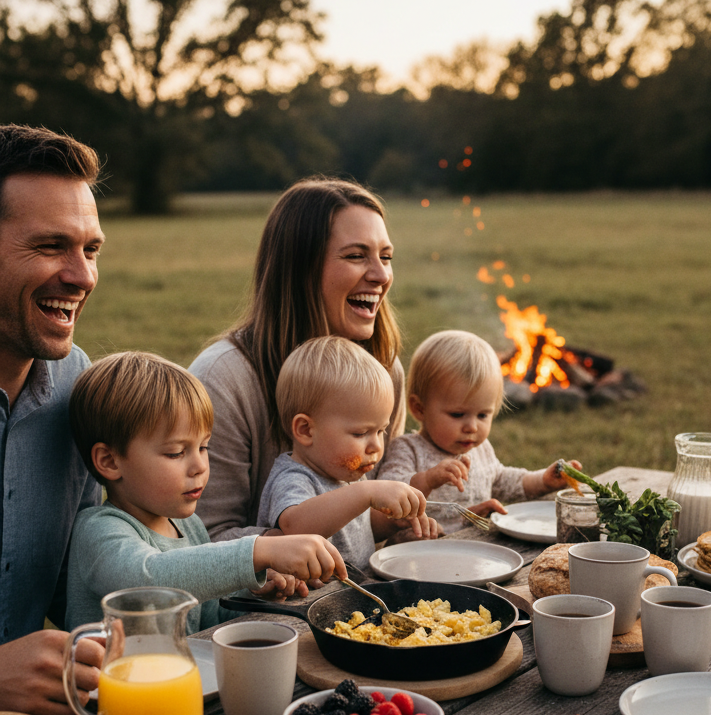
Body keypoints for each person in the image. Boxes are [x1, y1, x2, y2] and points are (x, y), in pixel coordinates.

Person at [190, 177, 405, 542]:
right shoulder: (224, 380)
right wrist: (290, 547)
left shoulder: (384, 369)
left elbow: (368, 518)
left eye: (385, 257)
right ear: (299, 269)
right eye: (356, 256)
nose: (381, 275)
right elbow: (202, 538)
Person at [65, 351, 346, 630]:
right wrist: (257, 551)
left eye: (203, 447)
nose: (199, 465)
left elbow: (207, 622)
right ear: (110, 461)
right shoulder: (98, 531)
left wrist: (254, 591)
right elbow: (149, 581)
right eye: (176, 452)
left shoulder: (189, 526)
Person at [0, 124, 106, 715]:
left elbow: (82, 591)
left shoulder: (76, 386)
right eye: (49, 247)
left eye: (90, 249)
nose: (82, 276)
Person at [257, 337, 438, 571]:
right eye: (361, 433)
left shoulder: (345, 473)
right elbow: (295, 529)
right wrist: (366, 492)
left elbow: (359, 529)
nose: (376, 446)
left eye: (381, 430)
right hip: (307, 603)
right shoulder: (294, 477)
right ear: (306, 430)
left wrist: (394, 522)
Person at [377, 330, 581, 533]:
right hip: (421, 551)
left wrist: (543, 481)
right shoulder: (407, 449)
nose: (472, 427)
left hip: (477, 550)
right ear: (419, 408)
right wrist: (429, 479)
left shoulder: (480, 449)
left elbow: (504, 480)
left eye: (483, 415)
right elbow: (388, 497)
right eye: (457, 414)